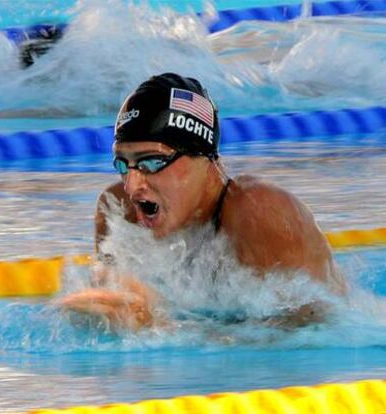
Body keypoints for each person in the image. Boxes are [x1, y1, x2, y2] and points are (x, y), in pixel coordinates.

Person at [59, 72, 346, 331]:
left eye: (152, 161)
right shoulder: (118, 210)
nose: (133, 185)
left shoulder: (259, 213)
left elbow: (311, 331)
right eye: (124, 164)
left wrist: (158, 326)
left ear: (204, 159)